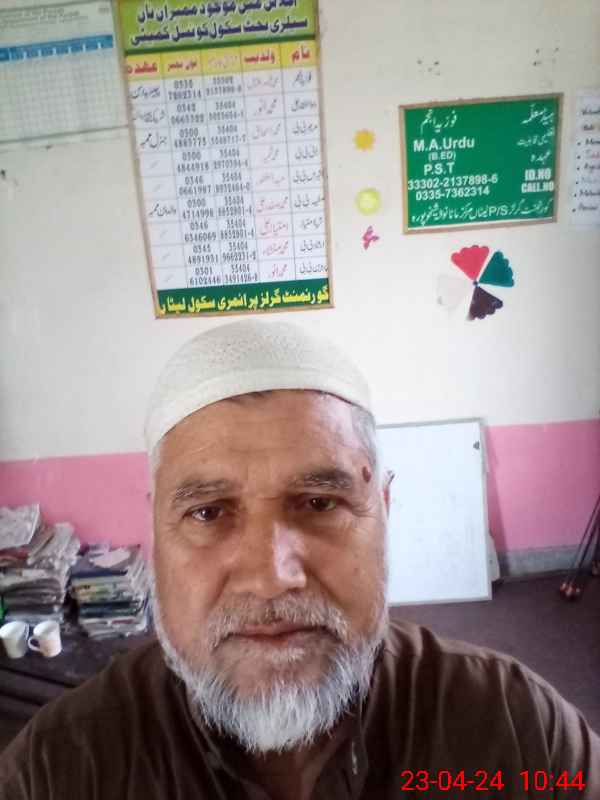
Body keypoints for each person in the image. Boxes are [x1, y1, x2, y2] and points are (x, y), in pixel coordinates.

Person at [1, 319, 599, 800]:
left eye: (319, 502)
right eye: (208, 512)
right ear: (155, 530)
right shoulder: (59, 770)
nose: (271, 578)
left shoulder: (518, 735)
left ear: (383, 511)